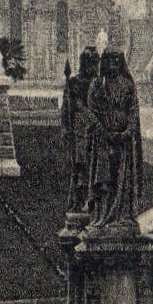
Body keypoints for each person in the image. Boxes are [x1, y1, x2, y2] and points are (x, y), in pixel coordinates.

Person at [85, 49, 143, 233]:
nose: (114, 64)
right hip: (103, 141)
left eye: (117, 60)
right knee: (103, 178)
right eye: (110, 60)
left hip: (122, 141)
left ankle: (121, 216)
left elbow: (133, 112)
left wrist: (126, 132)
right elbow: (91, 111)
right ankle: (102, 216)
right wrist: (104, 132)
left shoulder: (128, 85)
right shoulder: (97, 84)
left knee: (121, 177)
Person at [61, 47, 100, 216]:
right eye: (89, 63)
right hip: (80, 130)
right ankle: (77, 202)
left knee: (95, 166)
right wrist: (65, 128)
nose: (92, 67)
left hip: (95, 130)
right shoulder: (74, 82)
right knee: (80, 167)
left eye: (94, 63)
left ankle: (92, 201)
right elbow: (68, 108)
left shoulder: (99, 83)